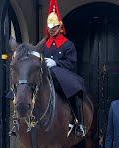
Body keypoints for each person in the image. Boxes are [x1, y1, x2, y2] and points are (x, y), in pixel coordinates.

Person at [41, 0, 86, 137]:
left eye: (54, 27)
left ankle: (79, 122)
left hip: (63, 76)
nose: (52, 30)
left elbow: (71, 63)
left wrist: (56, 63)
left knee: (72, 92)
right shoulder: (44, 45)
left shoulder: (68, 45)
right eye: (50, 27)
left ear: (60, 27)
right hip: (46, 76)